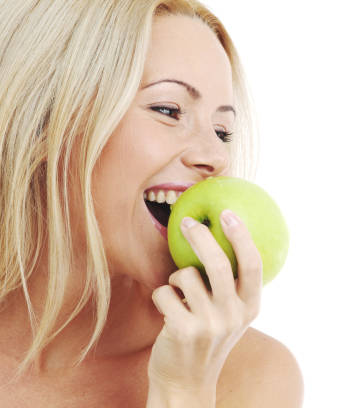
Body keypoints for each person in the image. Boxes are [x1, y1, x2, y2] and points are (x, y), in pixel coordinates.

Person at [0, 0, 303, 407]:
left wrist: (184, 390)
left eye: (223, 130)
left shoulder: (251, 377)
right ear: (43, 123)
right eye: (169, 110)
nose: (215, 157)